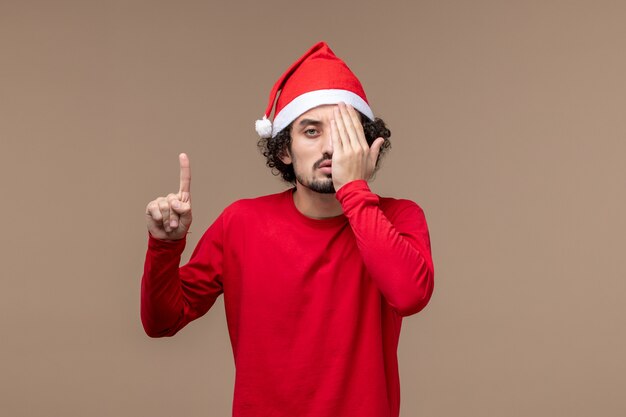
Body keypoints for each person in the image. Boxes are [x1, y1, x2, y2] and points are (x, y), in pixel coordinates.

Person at [141, 41, 434, 417]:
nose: (331, 148)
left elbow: (409, 295)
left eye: (345, 133)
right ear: (284, 149)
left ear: (366, 145)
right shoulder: (241, 223)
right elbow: (162, 321)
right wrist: (166, 246)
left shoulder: (399, 217)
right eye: (312, 132)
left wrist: (355, 190)